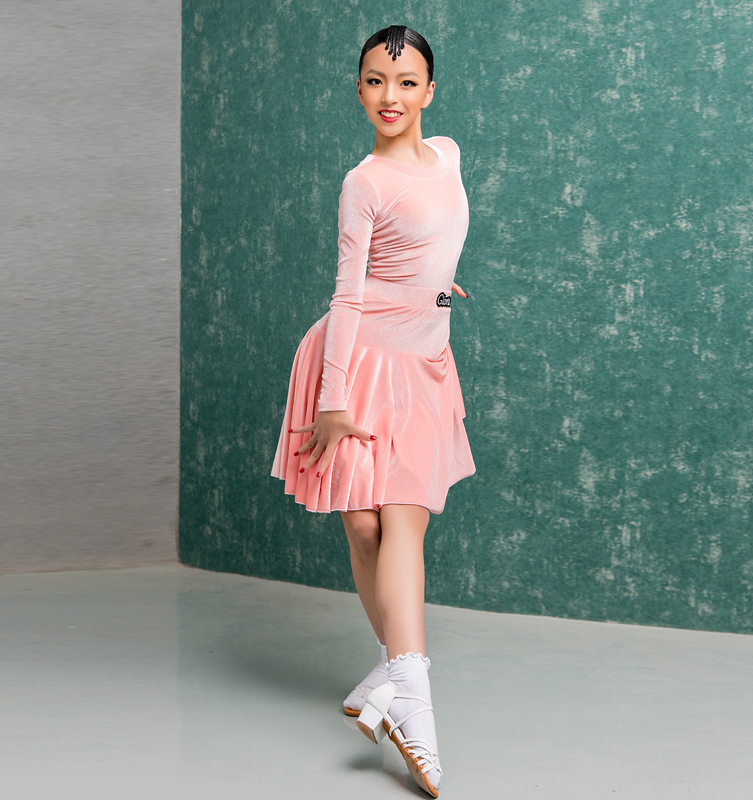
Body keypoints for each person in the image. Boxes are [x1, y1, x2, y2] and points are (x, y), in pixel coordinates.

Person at [270, 24, 475, 798]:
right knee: (362, 527)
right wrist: (331, 402)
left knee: (403, 518)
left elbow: (436, 233)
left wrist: (434, 284)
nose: (391, 96)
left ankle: (410, 701)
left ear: (429, 91)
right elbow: (349, 294)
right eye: (375, 81)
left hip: (420, 365)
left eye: (407, 81)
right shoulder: (364, 182)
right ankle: (393, 676)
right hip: (355, 363)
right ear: (358, 89)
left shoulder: (449, 155)